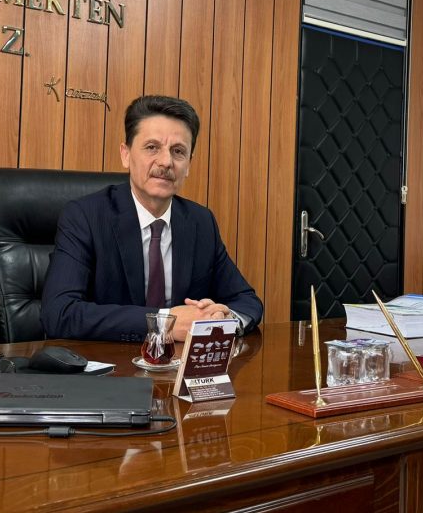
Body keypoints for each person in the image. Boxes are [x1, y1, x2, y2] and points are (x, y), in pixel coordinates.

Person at [40, 95, 263, 342]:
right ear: (126, 155)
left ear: (189, 164)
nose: (166, 162)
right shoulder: (85, 217)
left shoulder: (200, 222)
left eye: (178, 151)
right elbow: (59, 313)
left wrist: (223, 318)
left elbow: (247, 301)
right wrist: (165, 322)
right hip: (110, 363)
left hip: (178, 364)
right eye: (152, 147)